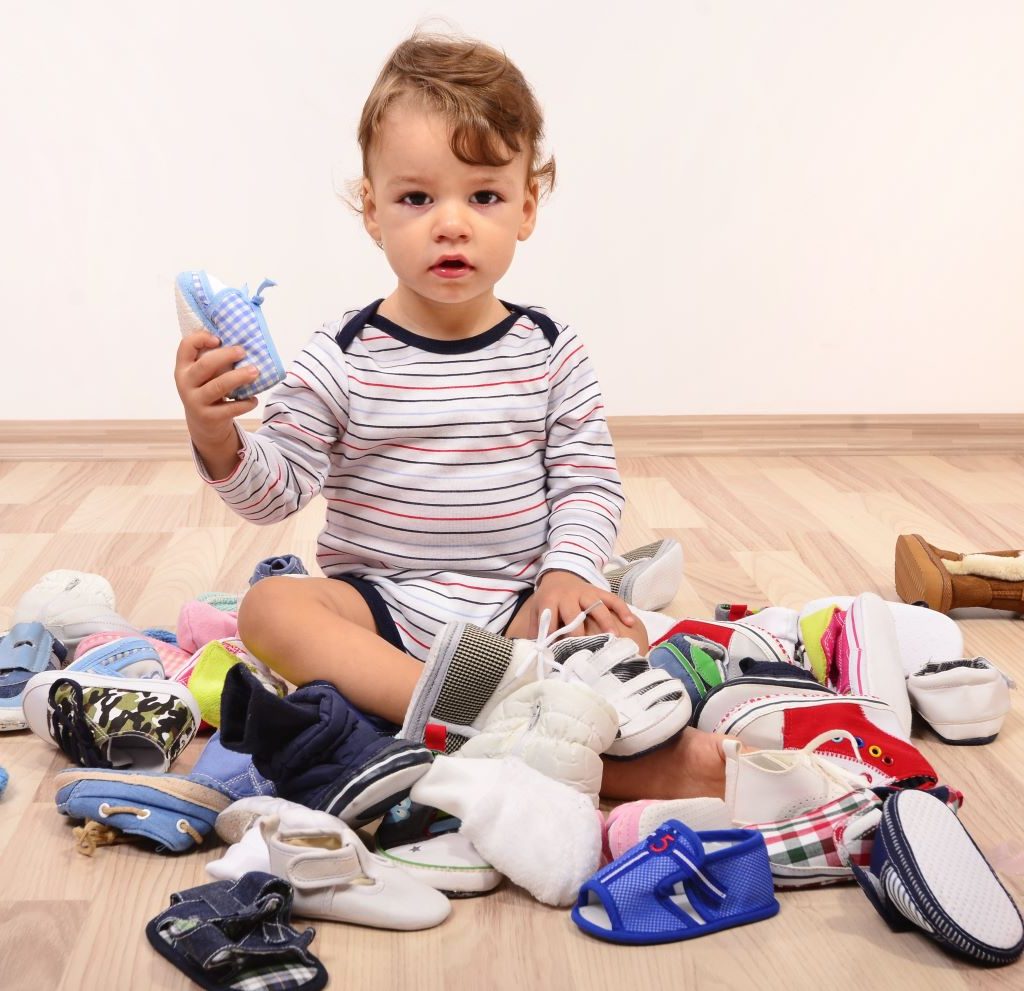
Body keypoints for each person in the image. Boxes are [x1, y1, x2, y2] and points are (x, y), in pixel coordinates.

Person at [173, 33, 727, 800]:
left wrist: (566, 571)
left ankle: (474, 727)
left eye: (485, 196)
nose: (452, 223)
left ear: (527, 206)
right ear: (372, 209)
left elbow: (588, 483)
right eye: (416, 197)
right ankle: (485, 724)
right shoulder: (343, 352)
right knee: (270, 607)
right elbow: (279, 491)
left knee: (619, 630)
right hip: (383, 613)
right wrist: (217, 434)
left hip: (515, 611)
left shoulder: (549, 350)